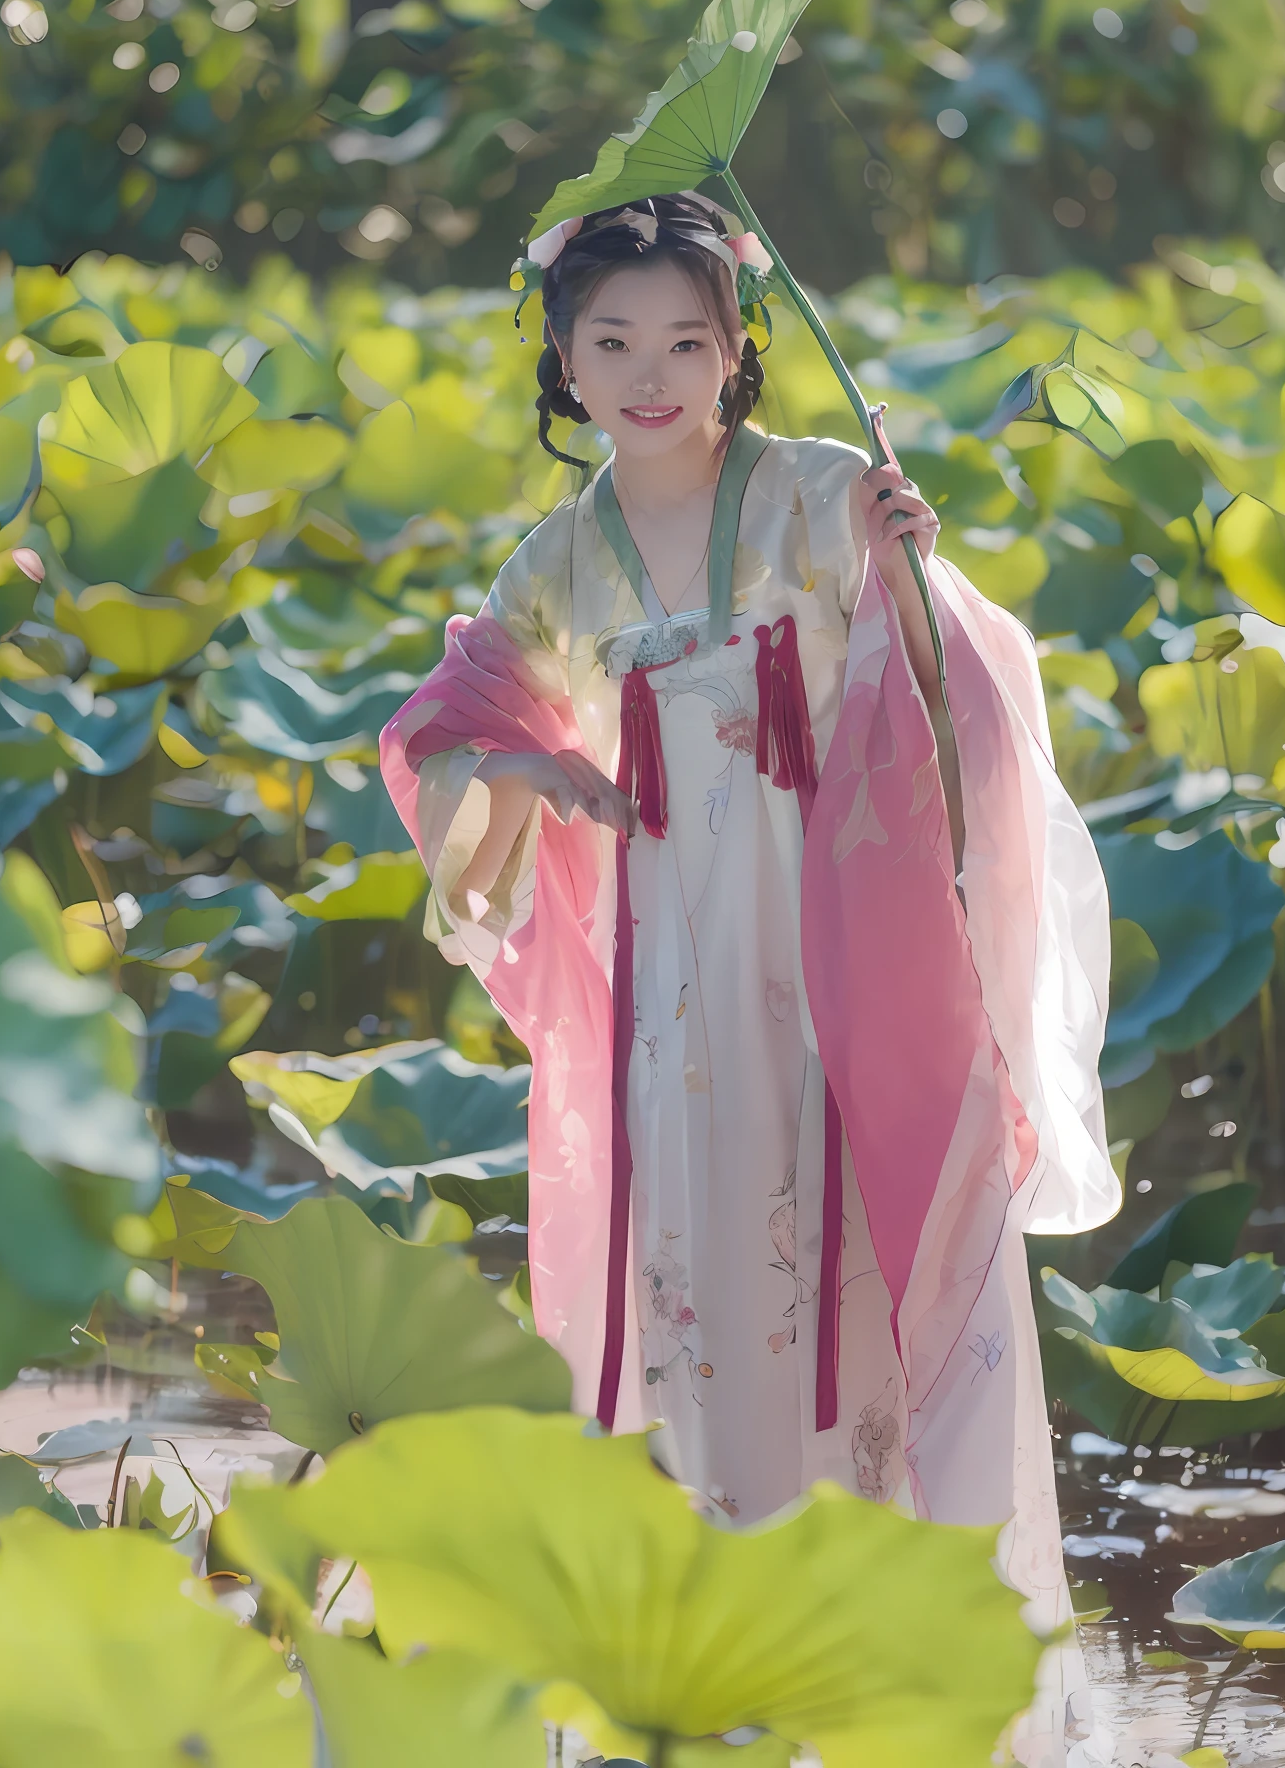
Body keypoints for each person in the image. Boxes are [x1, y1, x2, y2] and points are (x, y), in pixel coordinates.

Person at [382, 192, 1118, 1765]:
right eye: (611, 341)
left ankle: (873, 1650)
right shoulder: (558, 560)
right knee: (698, 1270)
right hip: (672, 995)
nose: (650, 374)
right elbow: (447, 738)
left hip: (833, 964)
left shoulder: (822, 493)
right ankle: (715, 1650)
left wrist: (919, 581)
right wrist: (544, 774)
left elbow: (945, 705)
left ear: (740, 354)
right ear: (563, 364)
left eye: (687, 341)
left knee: (853, 1255)